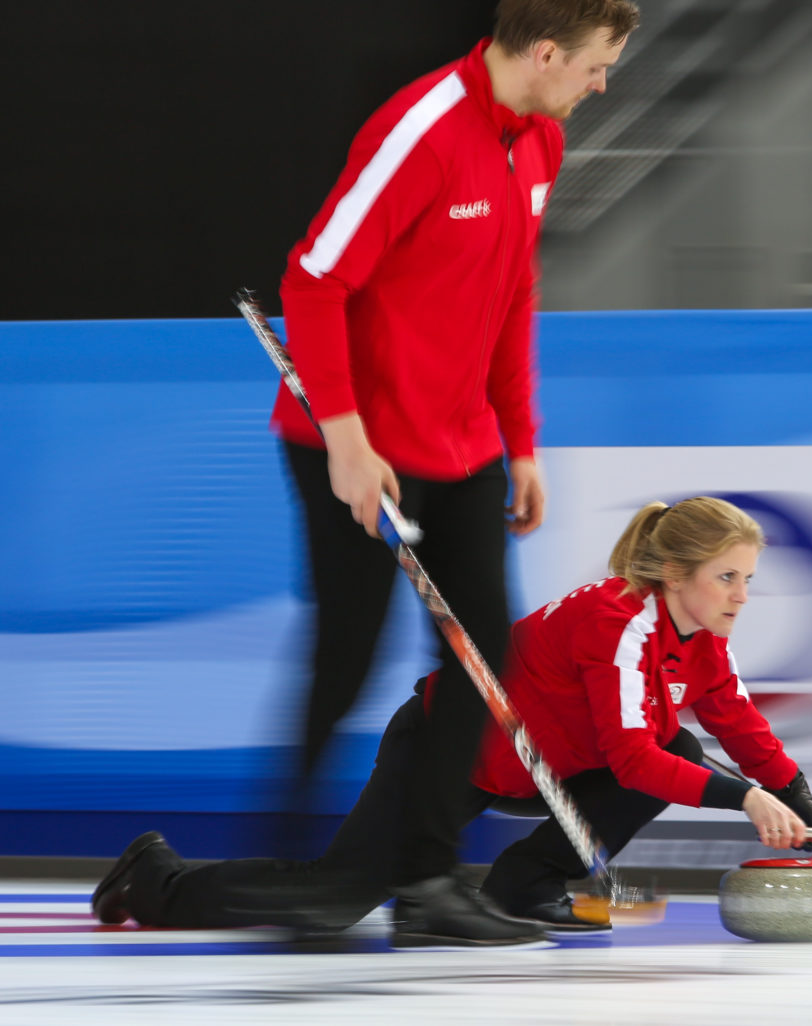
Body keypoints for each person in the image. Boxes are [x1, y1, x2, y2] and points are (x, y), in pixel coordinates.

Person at [265, 0, 639, 945]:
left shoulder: (540, 145)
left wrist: (522, 439)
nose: (604, 84)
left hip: (464, 443)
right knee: (347, 659)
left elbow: (515, 290)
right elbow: (312, 280)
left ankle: (428, 884)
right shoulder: (420, 130)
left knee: (480, 661)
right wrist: (348, 441)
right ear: (548, 52)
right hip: (350, 445)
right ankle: (286, 872)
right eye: (598, 65)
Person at [91, 497, 812, 942]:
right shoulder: (617, 619)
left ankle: (524, 886)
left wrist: (793, 793)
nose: (741, 595)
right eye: (727, 578)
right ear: (675, 575)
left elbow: (733, 717)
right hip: (448, 752)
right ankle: (155, 878)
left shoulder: (698, 637)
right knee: (333, 899)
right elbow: (631, 760)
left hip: (544, 766)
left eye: (749, 579)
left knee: (686, 743)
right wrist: (745, 798)